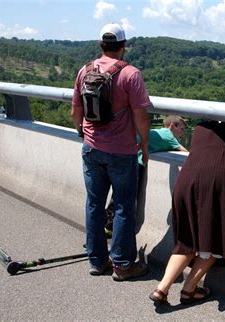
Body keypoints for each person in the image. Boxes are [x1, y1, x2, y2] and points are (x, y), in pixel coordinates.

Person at [71, 22, 151, 281]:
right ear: (124, 46)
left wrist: (84, 134)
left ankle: (97, 261)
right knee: (123, 207)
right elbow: (141, 116)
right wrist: (145, 144)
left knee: (94, 204)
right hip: (122, 152)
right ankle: (123, 265)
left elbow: (76, 111)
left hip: (91, 148)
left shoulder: (85, 70)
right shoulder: (131, 74)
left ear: (101, 45)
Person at [149, 121, 225, 304]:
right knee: (213, 240)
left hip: (186, 181)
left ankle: (161, 288)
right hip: (215, 184)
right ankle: (189, 289)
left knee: (187, 240)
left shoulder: (200, 127)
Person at [104, 115, 189, 237]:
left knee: (118, 195)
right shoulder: (168, 135)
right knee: (127, 200)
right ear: (172, 126)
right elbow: (187, 154)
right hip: (134, 163)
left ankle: (105, 227)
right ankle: (111, 228)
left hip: (122, 157)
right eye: (181, 129)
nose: (183, 133)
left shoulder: (160, 133)